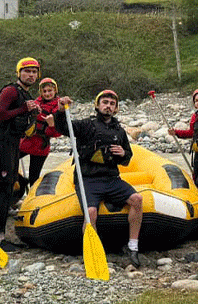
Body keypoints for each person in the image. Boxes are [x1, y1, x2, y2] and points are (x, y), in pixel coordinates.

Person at [52, 90, 144, 268]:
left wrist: (124, 153)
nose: (108, 106)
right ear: (97, 105)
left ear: (115, 109)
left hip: (111, 179)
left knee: (137, 199)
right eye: (105, 102)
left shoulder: (120, 131)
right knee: (91, 212)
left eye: (112, 103)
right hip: (87, 179)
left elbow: (127, 159)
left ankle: (133, 246)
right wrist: (61, 111)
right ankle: (92, 249)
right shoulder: (86, 125)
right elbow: (63, 127)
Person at [0, 57, 42, 251]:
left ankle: (1, 235)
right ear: (19, 73)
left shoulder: (25, 94)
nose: (31, 75)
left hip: (12, 145)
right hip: (1, 144)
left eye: (34, 72)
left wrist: (34, 113)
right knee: (2, 192)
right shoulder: (11, 91)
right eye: (27, 71)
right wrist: (23, 109)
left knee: (8, 188)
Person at [17, 77, 63, 201]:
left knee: (34, 177)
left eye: (50, 91)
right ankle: (21, 182)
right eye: (45, 91)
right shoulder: (35, 103)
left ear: (55, 91)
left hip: (41, 146)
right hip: (27, 142)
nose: (47, 94)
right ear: (41, 93)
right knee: (9, 162)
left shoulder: (58, 108)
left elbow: (57, 133)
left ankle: (31, 201)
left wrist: (52, 124)